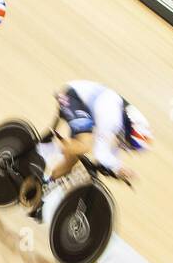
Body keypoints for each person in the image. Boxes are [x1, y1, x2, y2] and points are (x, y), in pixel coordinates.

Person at [26, 81, 152, 216]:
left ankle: (44, 187)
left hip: (83, 109)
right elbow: (100, 152)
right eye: (129, 144)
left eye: (131, 148)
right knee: (85, 145)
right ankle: (42, 150)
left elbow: (110, 156)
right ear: (129, 130)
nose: (127, 147)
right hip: (72, 97)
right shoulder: (112, 117)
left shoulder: (122, 124)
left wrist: (118, 171)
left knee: (71, 161)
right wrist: (117, 167)